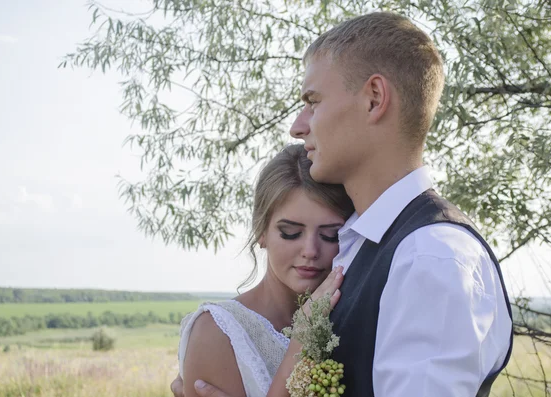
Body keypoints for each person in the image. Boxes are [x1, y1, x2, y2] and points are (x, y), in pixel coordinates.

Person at [174, 11, 513, 397]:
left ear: (374, 99)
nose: (298, 126)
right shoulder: (361, 247)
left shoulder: (428, 257)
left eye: (313, 102)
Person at [177, 143, 354, 397]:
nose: (310, 250)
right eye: (291, 233)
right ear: (261, 231)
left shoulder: (354, 317)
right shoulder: (219, 332)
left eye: (330, 235)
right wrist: (299, 344)